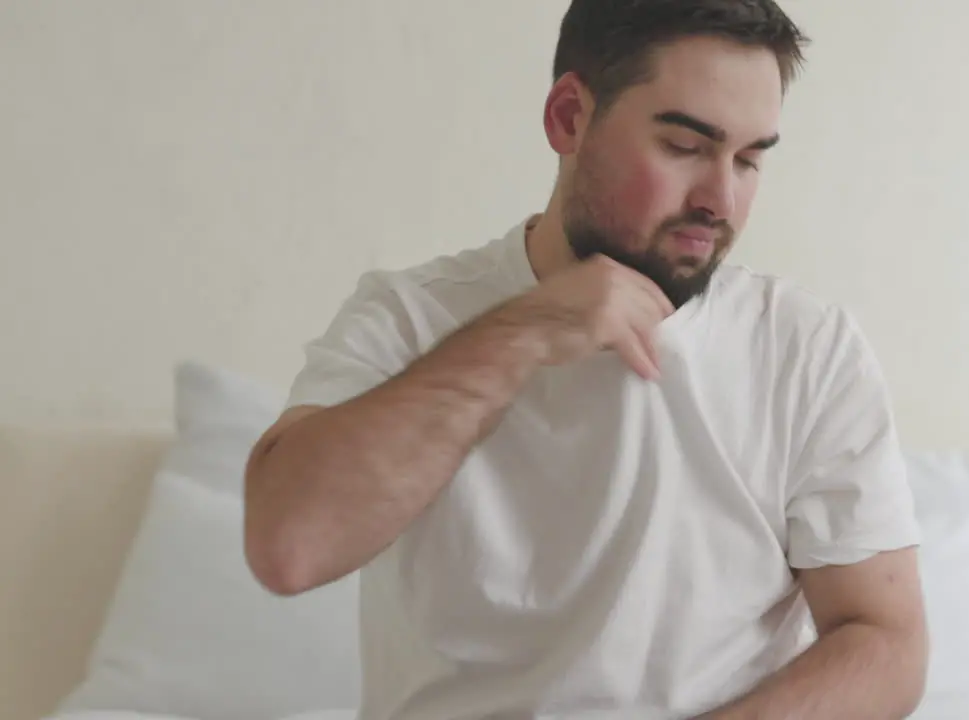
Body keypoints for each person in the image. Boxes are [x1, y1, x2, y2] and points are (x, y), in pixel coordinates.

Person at [243, 1, 929, 718]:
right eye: (685, 146)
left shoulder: (805, 349)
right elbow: (291, 546)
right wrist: (525, 330)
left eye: (750, 158)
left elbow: (885, 641)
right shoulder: (410, 316)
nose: (720, 200)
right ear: (569, 117)